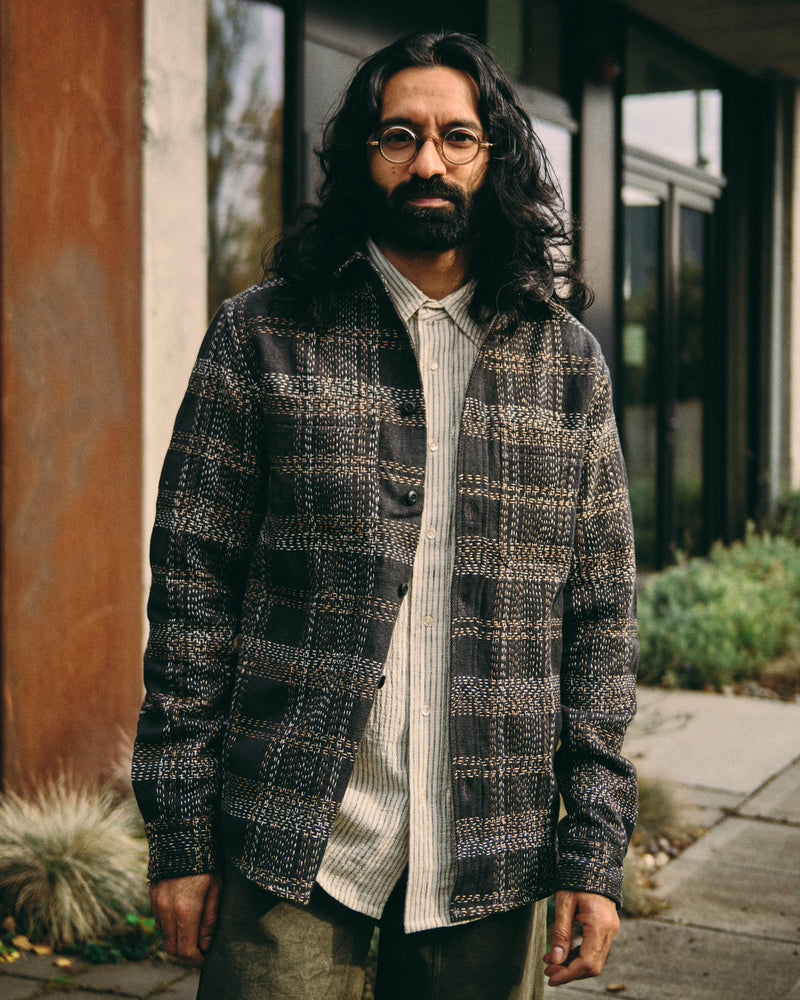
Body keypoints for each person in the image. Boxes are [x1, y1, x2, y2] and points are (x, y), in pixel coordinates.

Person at [132, 29, 638, 1000]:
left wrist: (591, 853)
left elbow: (598, 621)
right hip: (293, 838)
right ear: (360, 157)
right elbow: (192, 597)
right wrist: (181, 834)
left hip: (488, 850)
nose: (428, 161)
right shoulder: (262, 335)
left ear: (494, 158)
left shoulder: (562, 362)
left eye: (457, 136)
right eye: (397, 134)